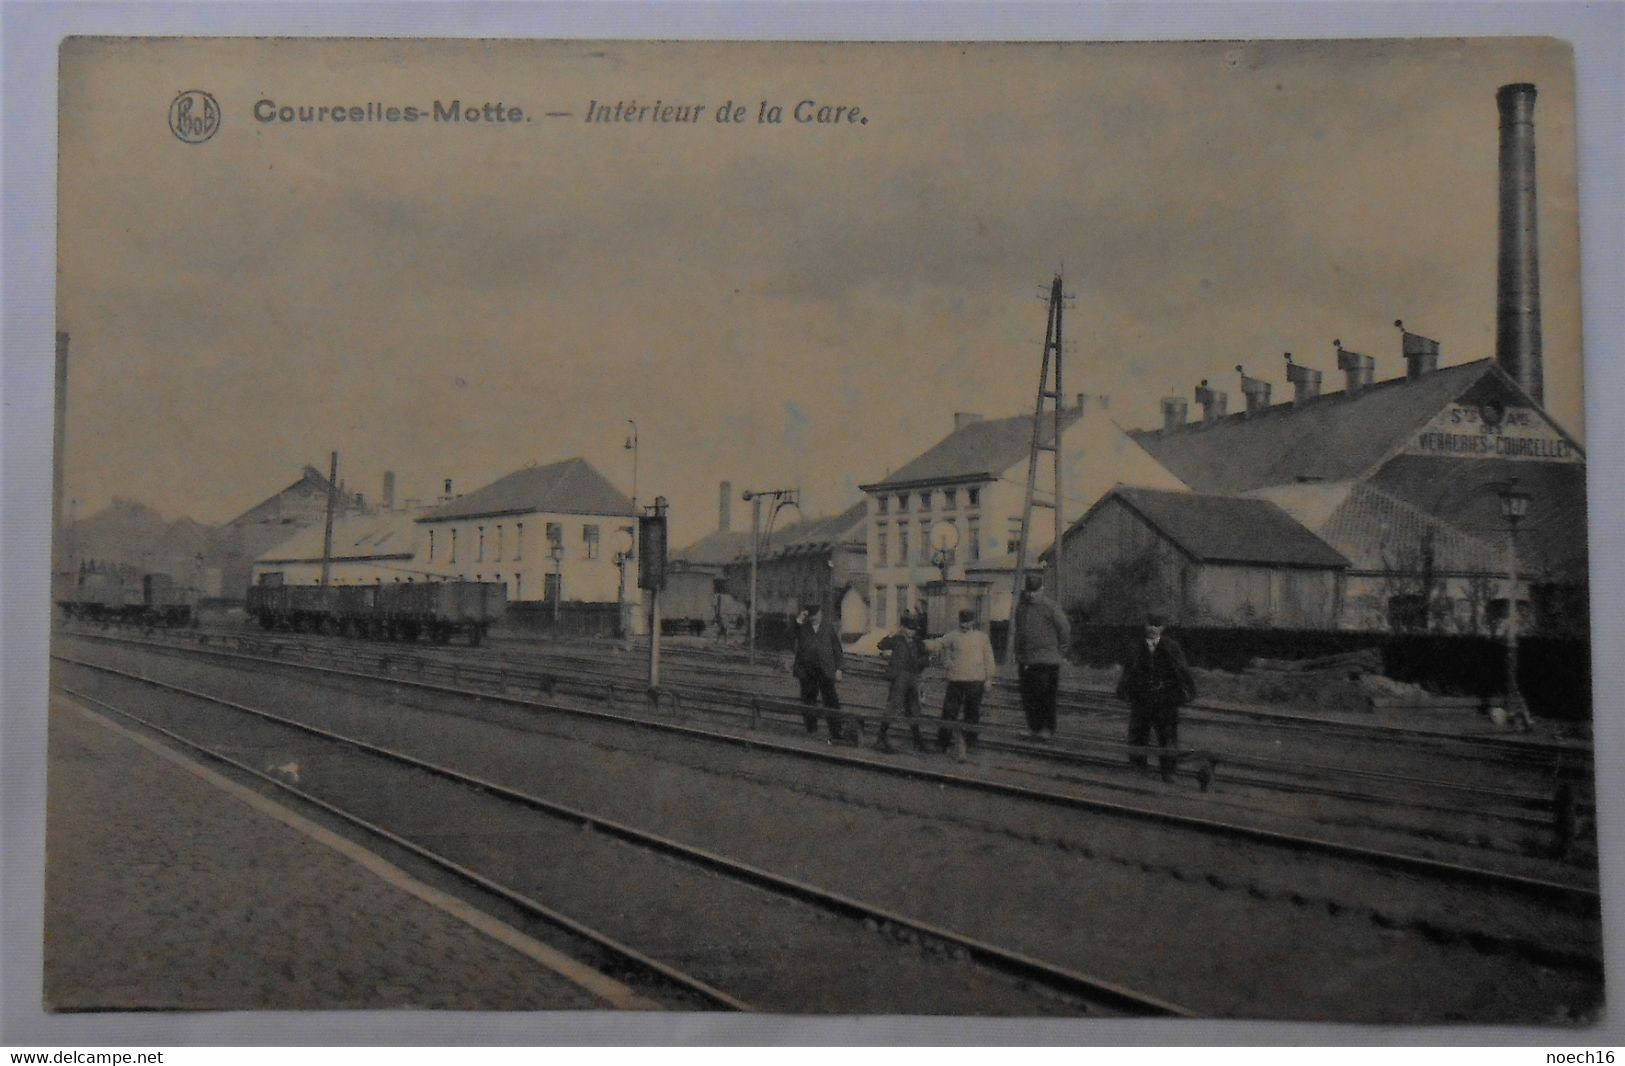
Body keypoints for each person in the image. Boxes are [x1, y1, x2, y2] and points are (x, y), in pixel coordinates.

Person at [1115, 613, 1197, 781]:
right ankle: (1138, 768)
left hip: (1166, 700)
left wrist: (1187, 690)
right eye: (1150, 624)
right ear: (1144, 626)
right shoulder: (1136, 647)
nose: (1153, 628)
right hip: (1142, 698)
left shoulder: (1171, 647)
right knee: (1138, 734)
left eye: (1157, 625)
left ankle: (1168, 772)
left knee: (1167, 736)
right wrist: (1124, 689)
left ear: (1163, 628)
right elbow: (1128, 671)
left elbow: (1182, 670)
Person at [929, 608, 998, 761]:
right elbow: (939, 643)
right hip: (956, 680)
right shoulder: (952, 636)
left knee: (972, 712)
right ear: (959, 622)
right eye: (962, 623)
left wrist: (989, 679)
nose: (965, 626)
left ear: (973, 622)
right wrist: (927, 645)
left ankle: (971, 742)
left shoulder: (982, 637)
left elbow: (989, 658)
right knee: (948, 712)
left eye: (967, 623)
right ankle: (943, 743)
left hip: (976, 681)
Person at [1014, 572, 1071, 739]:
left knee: (1045, 696)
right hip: (1027, 659)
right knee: (1028, 696)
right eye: (1028, 591)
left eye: (1035, 591)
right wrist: (1018, 653)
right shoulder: (1022, 608)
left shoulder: (1050, 607)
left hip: (1047, 660)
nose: (1031, 595)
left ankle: (1047, 729)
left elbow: (1065, 629)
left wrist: (1061, 650)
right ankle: (1034, 728)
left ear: (1042, 589)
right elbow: (1019, 632)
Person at [792, 603, 854, 743]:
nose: (814, 618)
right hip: (807, 671)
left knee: (832, 701)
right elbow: (789, 634)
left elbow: (837, 649)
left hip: (825, 670)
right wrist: (798, 620)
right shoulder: (802, 627)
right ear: (808, 616)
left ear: (821, 614)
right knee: (808, 701)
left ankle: (836, 731)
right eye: (811, 616)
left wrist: (839, 668)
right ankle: (811, 730)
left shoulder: (828, 628)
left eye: (816, 615)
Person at [875, 610, 929, 753]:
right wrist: (892, 633)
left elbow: (925, 658)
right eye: (909, 629)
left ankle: (918, 741)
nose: (911, 632)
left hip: (912, 678)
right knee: (892, 707)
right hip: (899, 678)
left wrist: (921, 662)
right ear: (903, 628)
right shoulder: (897, 639)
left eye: (914, 630)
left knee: (913, 709)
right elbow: (881, 645)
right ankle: (880, 738)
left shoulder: (918, 643)